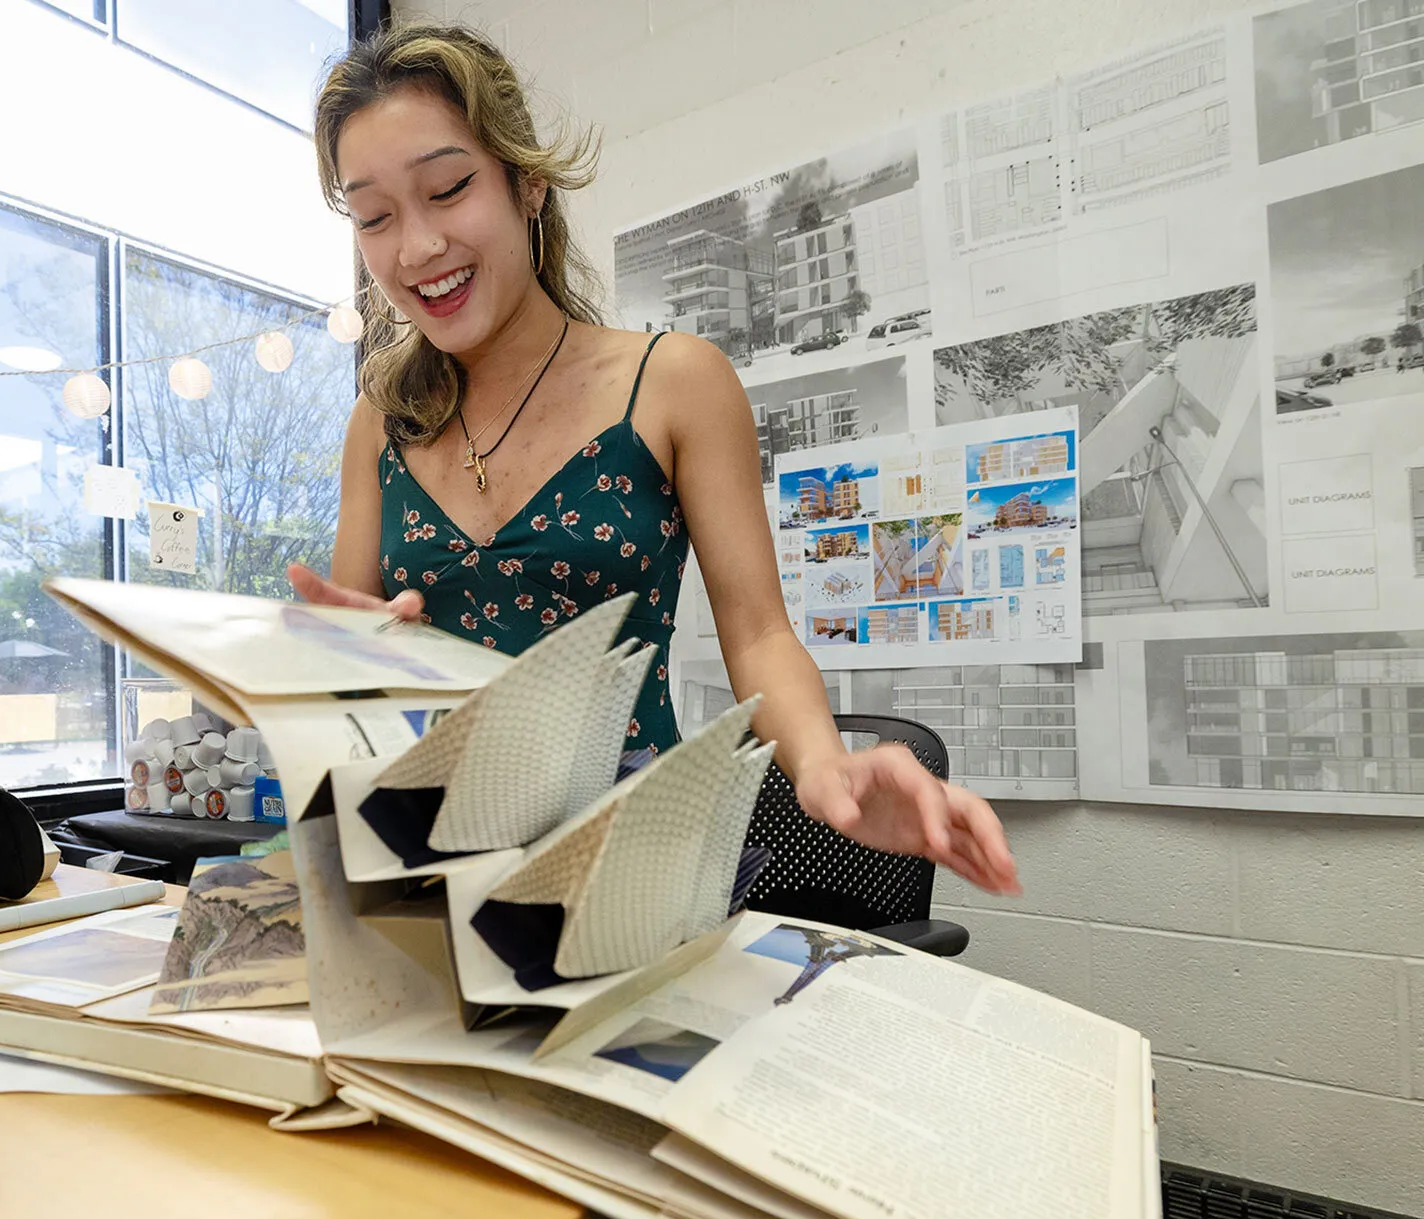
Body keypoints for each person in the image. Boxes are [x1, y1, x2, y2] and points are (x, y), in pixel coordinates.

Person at [287, 23, 1018, 896]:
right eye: (374, 217)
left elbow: (758, 632)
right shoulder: (381, 421)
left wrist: (826, 768)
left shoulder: (673, 383)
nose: (414, 249)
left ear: (529, 184)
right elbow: (349, 690)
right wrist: (348, 664)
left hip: (633, 865)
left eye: (447, 189)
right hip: (428, 864)